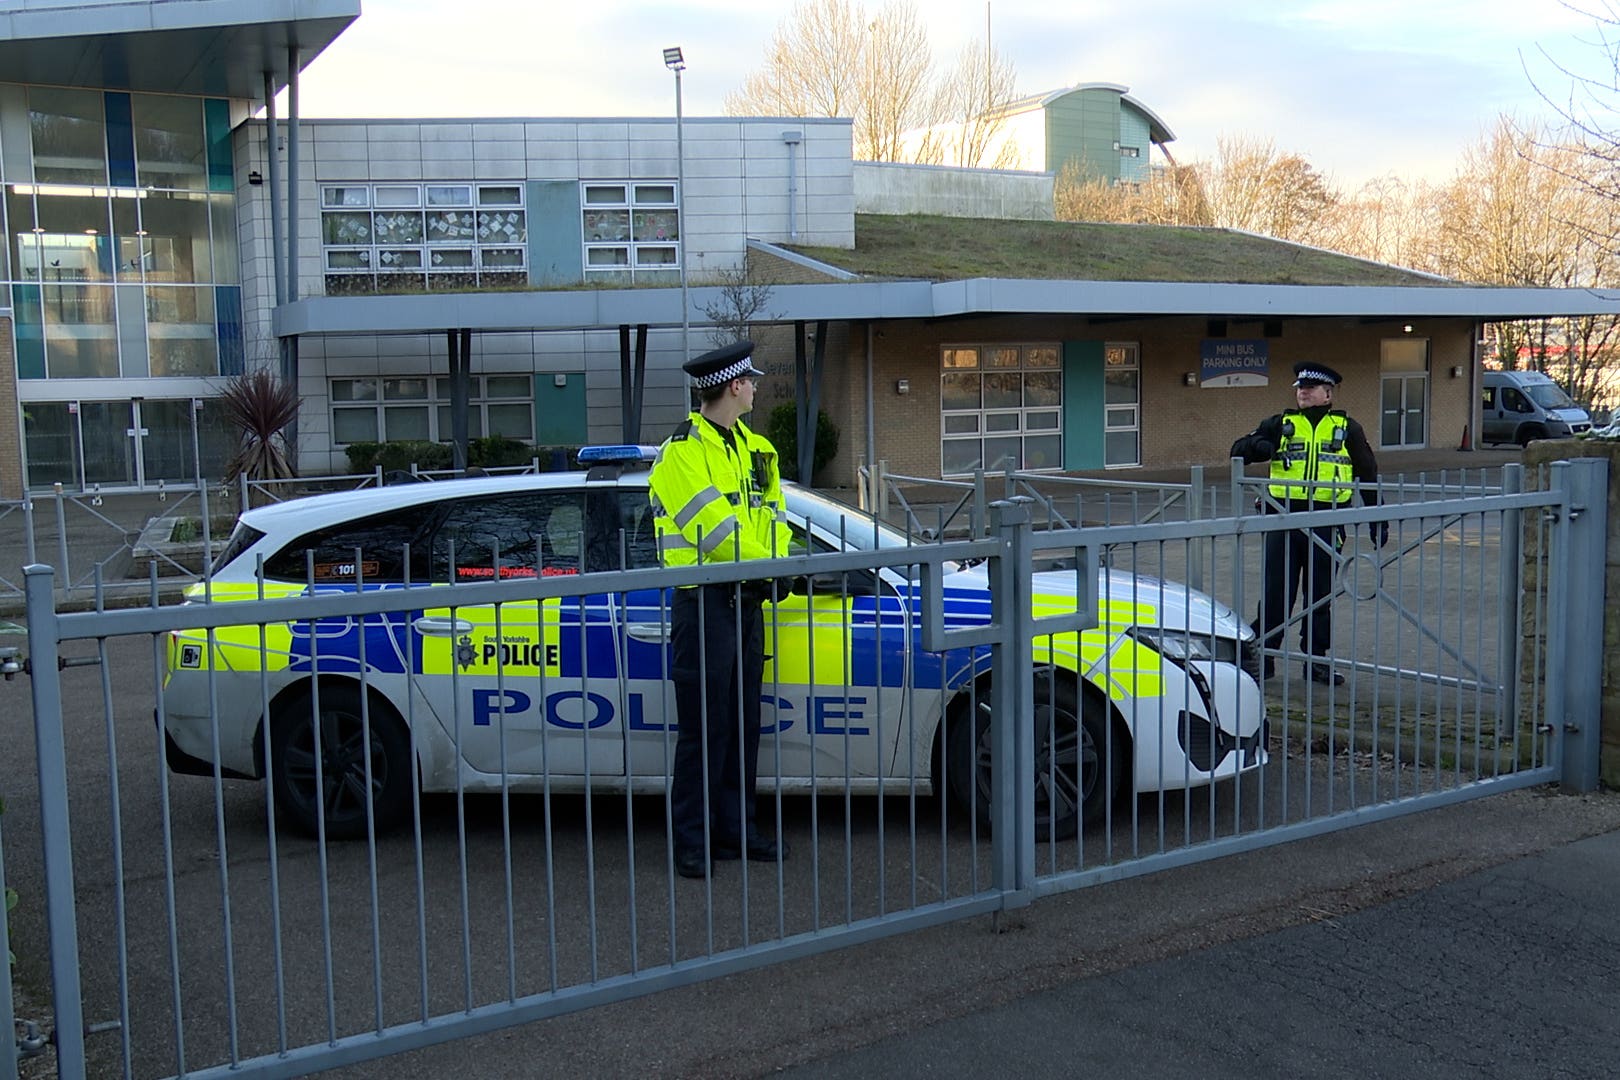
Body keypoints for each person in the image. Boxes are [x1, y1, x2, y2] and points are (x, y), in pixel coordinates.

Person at [647, 340, 795, 879]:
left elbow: (775, 519)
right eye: (751, 380)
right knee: (703, 728)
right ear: (734, 386)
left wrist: (776, 567)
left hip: (746, 599)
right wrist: (772, 570)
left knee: (742, 723)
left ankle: (737, 830)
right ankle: (693, 839)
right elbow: (715, 534)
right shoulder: (682, 452)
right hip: (704, 600)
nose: (756, 386)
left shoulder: (758, 449)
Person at [1230, 361, 1386, 686]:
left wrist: (1377, 519)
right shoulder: (1281, 423)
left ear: (1327, 393)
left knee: (1320, 596)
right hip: (1283, 519)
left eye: (1310, 388)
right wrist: (1259, 446)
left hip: (1327, 522)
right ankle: (1264, 658)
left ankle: (1315, 662)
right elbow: (1237, 450)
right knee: (1276, 593)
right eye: (1299, 387)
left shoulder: (1347, 429)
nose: (1302, 392)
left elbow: (1368, 473)